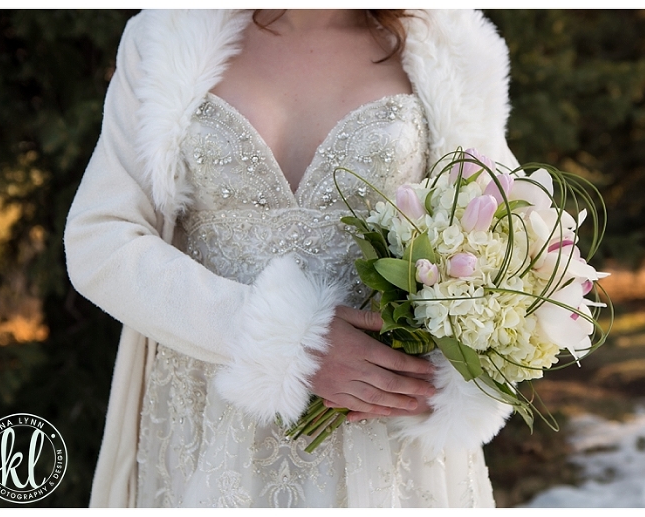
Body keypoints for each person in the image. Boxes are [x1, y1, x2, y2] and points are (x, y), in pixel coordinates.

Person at [64, 9, 519, 508]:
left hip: (382, 430)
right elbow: (100, 238)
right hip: (212, 417)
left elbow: (506, 236)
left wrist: (456, 369)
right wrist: (282, 340)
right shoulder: (168, 33)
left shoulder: (447, 43)